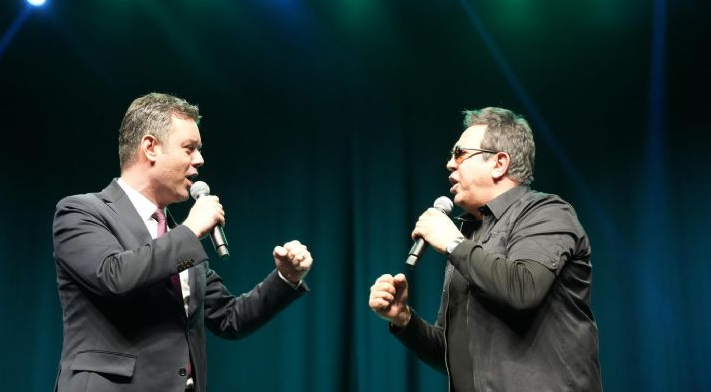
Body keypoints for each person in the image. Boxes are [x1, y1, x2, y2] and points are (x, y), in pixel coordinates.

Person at [52, 92, 313, 392]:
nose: (199, 160)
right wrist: (190, 230)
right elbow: (114, 276)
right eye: (189, 148)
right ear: (150, 147)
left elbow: (229, 318)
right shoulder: (81, 212)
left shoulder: (177, 236)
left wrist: (286, 277)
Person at [368, 107, 602, 391]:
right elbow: (451, 356)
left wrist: (453, 243)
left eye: (459, 154)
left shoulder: (546, 213)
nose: (449, 165)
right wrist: (403, 318)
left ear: (499, 163)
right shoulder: (468, 238)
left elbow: (523, 288)